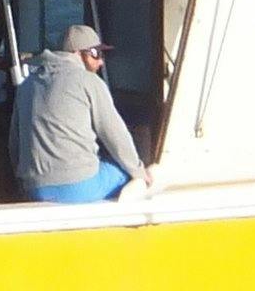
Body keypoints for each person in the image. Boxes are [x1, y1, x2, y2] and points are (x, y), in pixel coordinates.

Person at [9, 22, 152, 203]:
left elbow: (14, 143)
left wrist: (23, 184)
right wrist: (139, 171)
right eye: (96, 53)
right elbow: (115, 135)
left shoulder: (27, 85)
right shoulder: (90, 82)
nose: (101, 61)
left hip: (35, 189)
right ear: (77, 53)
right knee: (125, 172)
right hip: (79, 187)